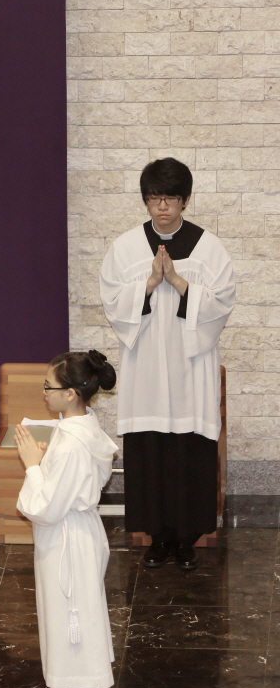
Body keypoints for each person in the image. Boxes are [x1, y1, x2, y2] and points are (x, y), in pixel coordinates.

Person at [99, 158, 236, 570]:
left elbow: (221, 304)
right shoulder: (126, 247)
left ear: (185, 200)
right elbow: (112, 302)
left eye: (171, 199)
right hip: (146, 369)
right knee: (151, 449)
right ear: (145, 200)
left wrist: (177, 281)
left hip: (190, 369)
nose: (163, 207)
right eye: (155, 198)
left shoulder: (209, 247)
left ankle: (187, 539)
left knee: (189, 451)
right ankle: (157, 539)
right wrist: (149, 283)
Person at [14, 351, 120, 688]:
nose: (44, 392)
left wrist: (32, 465)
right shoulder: (80, 426)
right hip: (74, 535)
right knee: (74, 625)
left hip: (68, 542)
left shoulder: (73, 443)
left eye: (49, 386)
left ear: (72, 393)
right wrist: (46, 463)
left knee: (76, 631)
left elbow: (46, 507)